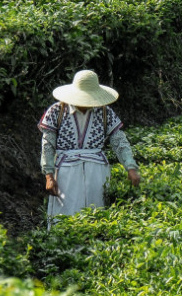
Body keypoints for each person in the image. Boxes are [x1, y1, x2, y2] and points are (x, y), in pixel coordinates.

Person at [38, 70, 141, 225]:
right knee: (66, 217)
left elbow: (119, 141)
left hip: (96, 172)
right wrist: (49, 175)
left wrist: (130, 167)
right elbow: (48, 144)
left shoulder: (105, 112)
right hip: (67, 173)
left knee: (96, 215)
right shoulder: (56, 111)